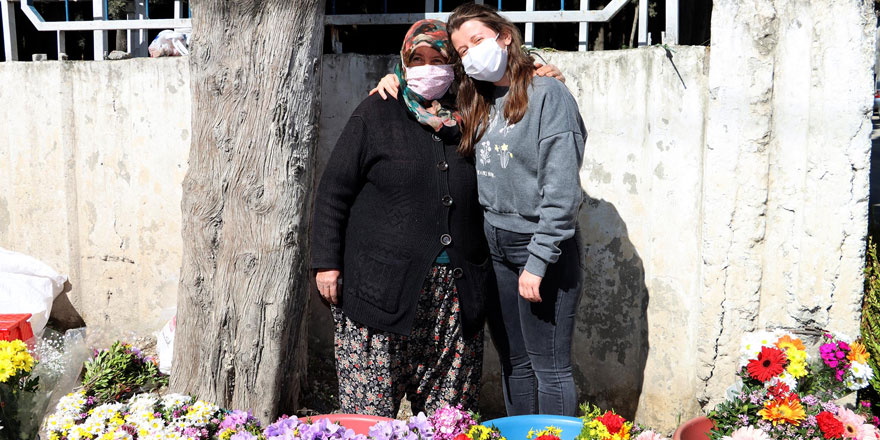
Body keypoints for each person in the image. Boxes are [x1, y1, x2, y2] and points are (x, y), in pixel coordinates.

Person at [311, 19, 492, 417]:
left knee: (449, 420)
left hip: (455, 298)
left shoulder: (476, 112)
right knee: (369, 418)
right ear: (404, 63)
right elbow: (334, 191)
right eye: (418, 59)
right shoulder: (377, 110)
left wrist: (539, 68)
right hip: (379, 290)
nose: (428, 68)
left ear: (454, 65)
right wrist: (326, 264)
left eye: (438, 59)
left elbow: (514, 74)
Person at [447, 3, 587, 416]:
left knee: (550, 366)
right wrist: (390, 79)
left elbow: (562, 192)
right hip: (496, 246)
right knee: (515, 363)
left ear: (504, 36)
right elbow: (422, 85)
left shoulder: (549, 95)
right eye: (462, 50)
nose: (471, 54)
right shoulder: (479, 99)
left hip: (539, 247)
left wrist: (539, 261)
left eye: (477, 41)